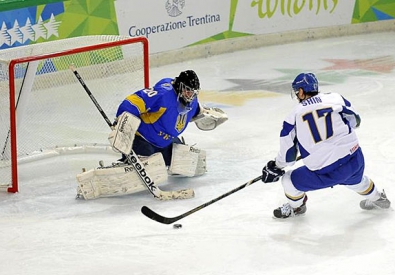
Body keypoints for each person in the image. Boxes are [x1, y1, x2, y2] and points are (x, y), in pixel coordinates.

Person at [261, 72, 391, 219]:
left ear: (302, 92)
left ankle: (296, 208)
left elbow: (288, 157)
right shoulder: (336, 98)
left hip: (325, 172)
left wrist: (275, 166)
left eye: (297, 92)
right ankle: (378, 198)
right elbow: (356, 121)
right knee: (354, 179)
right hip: (355, 160)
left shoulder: (293, 116)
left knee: (288, 180)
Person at [110, 69, 228, 176]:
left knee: (189, 162)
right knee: (149, 169)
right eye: (187, 91)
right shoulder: (164, 94)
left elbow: (197, 112)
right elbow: (133, 101)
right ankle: (128, 162)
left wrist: (206, 114)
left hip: (165, 143)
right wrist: (121, 122)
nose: (190, 95)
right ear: (179, 86)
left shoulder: (192, 102)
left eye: (193, 92)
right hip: (143, 139)